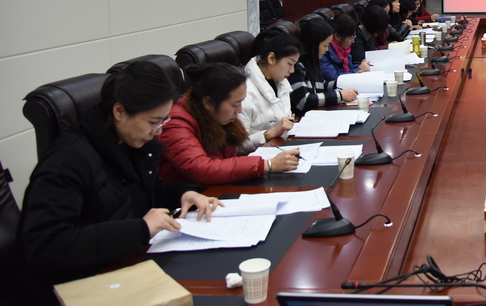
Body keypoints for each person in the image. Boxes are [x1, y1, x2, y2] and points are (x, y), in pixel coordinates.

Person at [16, 62, 218, 296]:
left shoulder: (130, 142)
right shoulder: (67, 160)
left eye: (162, 122)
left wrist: (184, 194)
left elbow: (147, 193)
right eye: (153, 122)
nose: (159, 132)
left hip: (126, 264)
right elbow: (46, 246)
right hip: (81, 286)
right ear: (119, 111)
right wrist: (140, 229)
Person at [159, 63, 300, 186]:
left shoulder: (219, 116)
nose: (239, 110)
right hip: (188, 199)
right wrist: (266, 165)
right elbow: (201, 169)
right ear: (208, 103)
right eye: (235, 104)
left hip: (217, 189)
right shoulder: (175, 123)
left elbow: (229, 158)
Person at [242, 28, 301, 147]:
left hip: (281, 146)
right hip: (259, 155)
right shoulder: (244, 93)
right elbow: (237, 146)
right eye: (290, 64)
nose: (292, 70)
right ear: (271, 58)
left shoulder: (281, 83)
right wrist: (269, 134)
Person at [290, 17, 359, 116]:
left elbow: (322, 86)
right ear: (313, 44)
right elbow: (304, 101)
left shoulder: (313, 60)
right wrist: (340, 95)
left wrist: (348, 82)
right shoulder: (296, 65)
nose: (326, 49)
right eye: (325, 45)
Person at [322, 13, 371, 81]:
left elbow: (349, 68)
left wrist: (360, 66)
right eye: (351, 37)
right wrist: (359, 69)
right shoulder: (324, 52)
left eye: (354, 37)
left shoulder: (342, 50)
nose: (353, 41)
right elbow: (333, 79)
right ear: (337, 36)